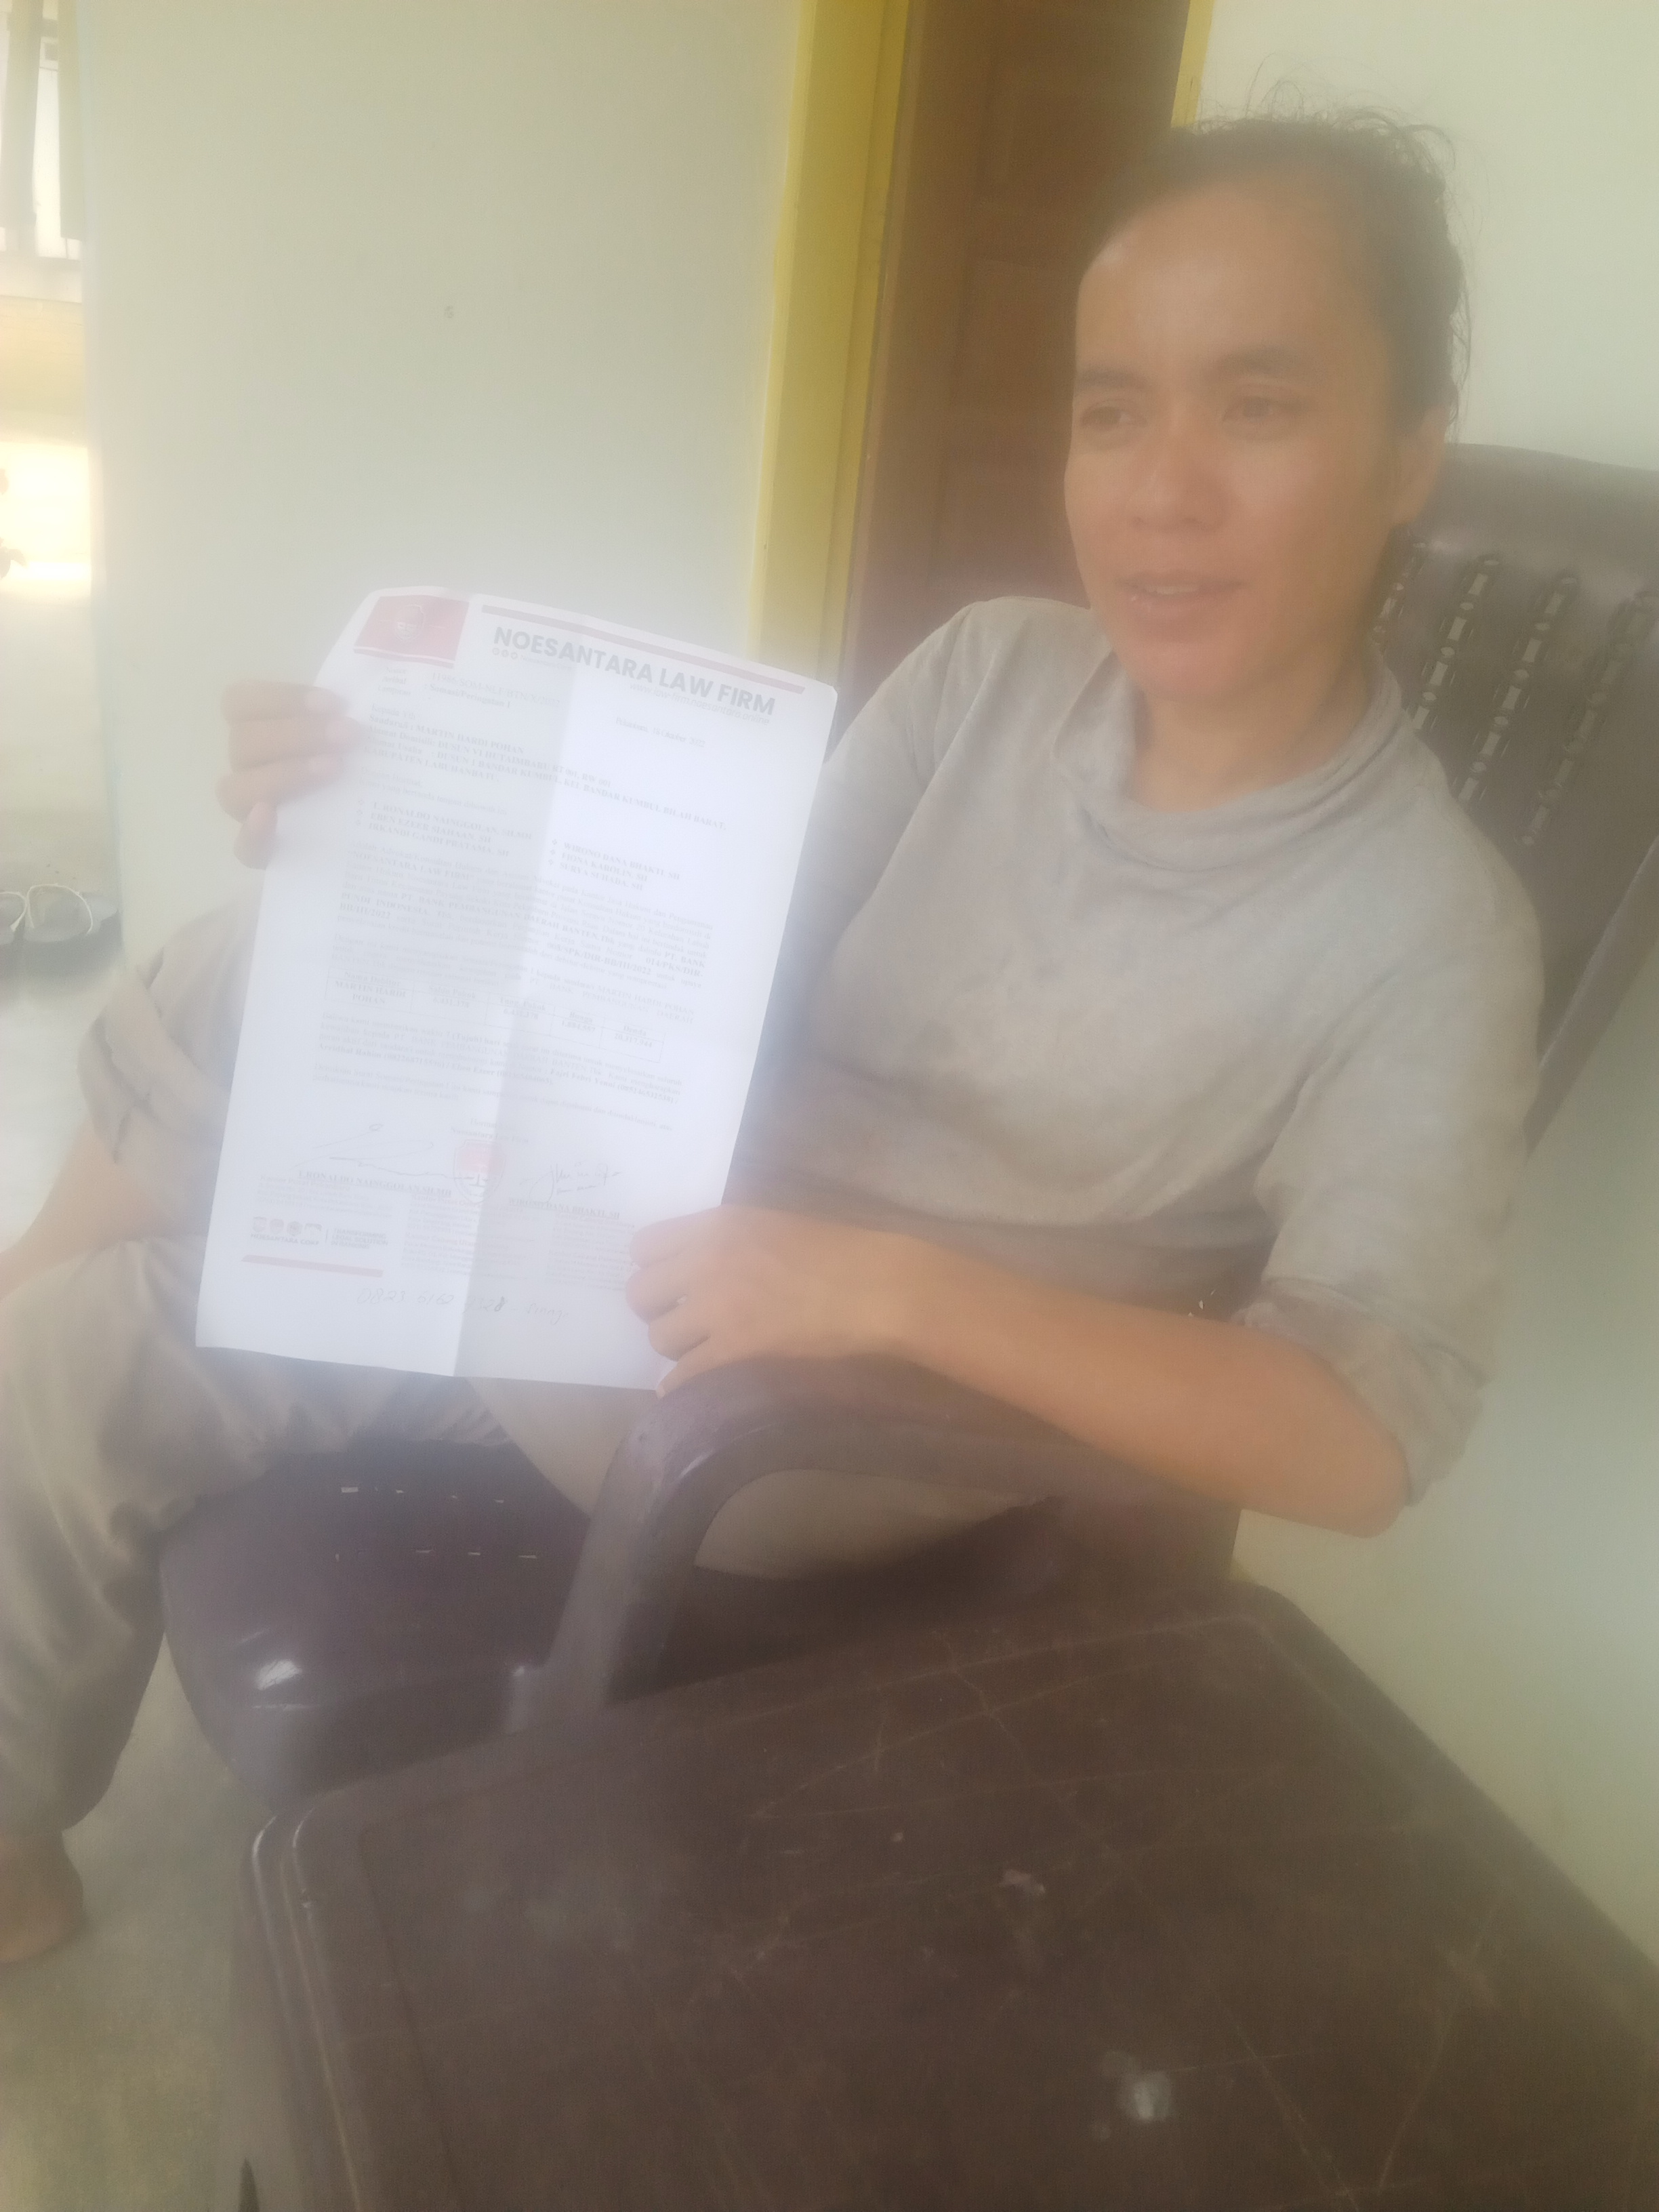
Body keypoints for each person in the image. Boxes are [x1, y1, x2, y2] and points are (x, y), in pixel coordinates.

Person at [0, 112, 1542, 1964]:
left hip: (787, 1433)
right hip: (650, 1246)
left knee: (120, 1297)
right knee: (257, 982)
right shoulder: (994, 673)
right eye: (1113, 410)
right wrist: (386, 838)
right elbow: (710, 956)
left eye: (1260, 407)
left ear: (1410, 452)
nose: (1161, 492)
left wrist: (882, 1291)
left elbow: (1360, 1434)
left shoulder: (1423, 927)